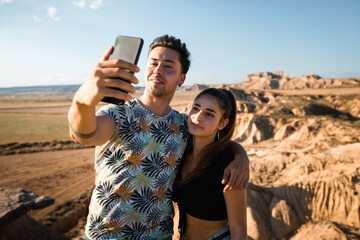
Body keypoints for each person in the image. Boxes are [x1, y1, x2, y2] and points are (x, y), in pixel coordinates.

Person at [68, 35, 249, 239]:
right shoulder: (118, 114)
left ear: (182, 78)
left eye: (168, 66)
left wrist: (240, 155)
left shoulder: (183, 125)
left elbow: (214, 141)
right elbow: (84, 135)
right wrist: (82, 103)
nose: (158, 70)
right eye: (153, 63)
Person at [173, 88, 247, 240]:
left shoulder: (228, 166)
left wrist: (241, 157)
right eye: (196, 108)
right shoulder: (181, 150)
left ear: (222, 124)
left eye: (209, 114)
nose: (198, 117)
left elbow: (239, 231)